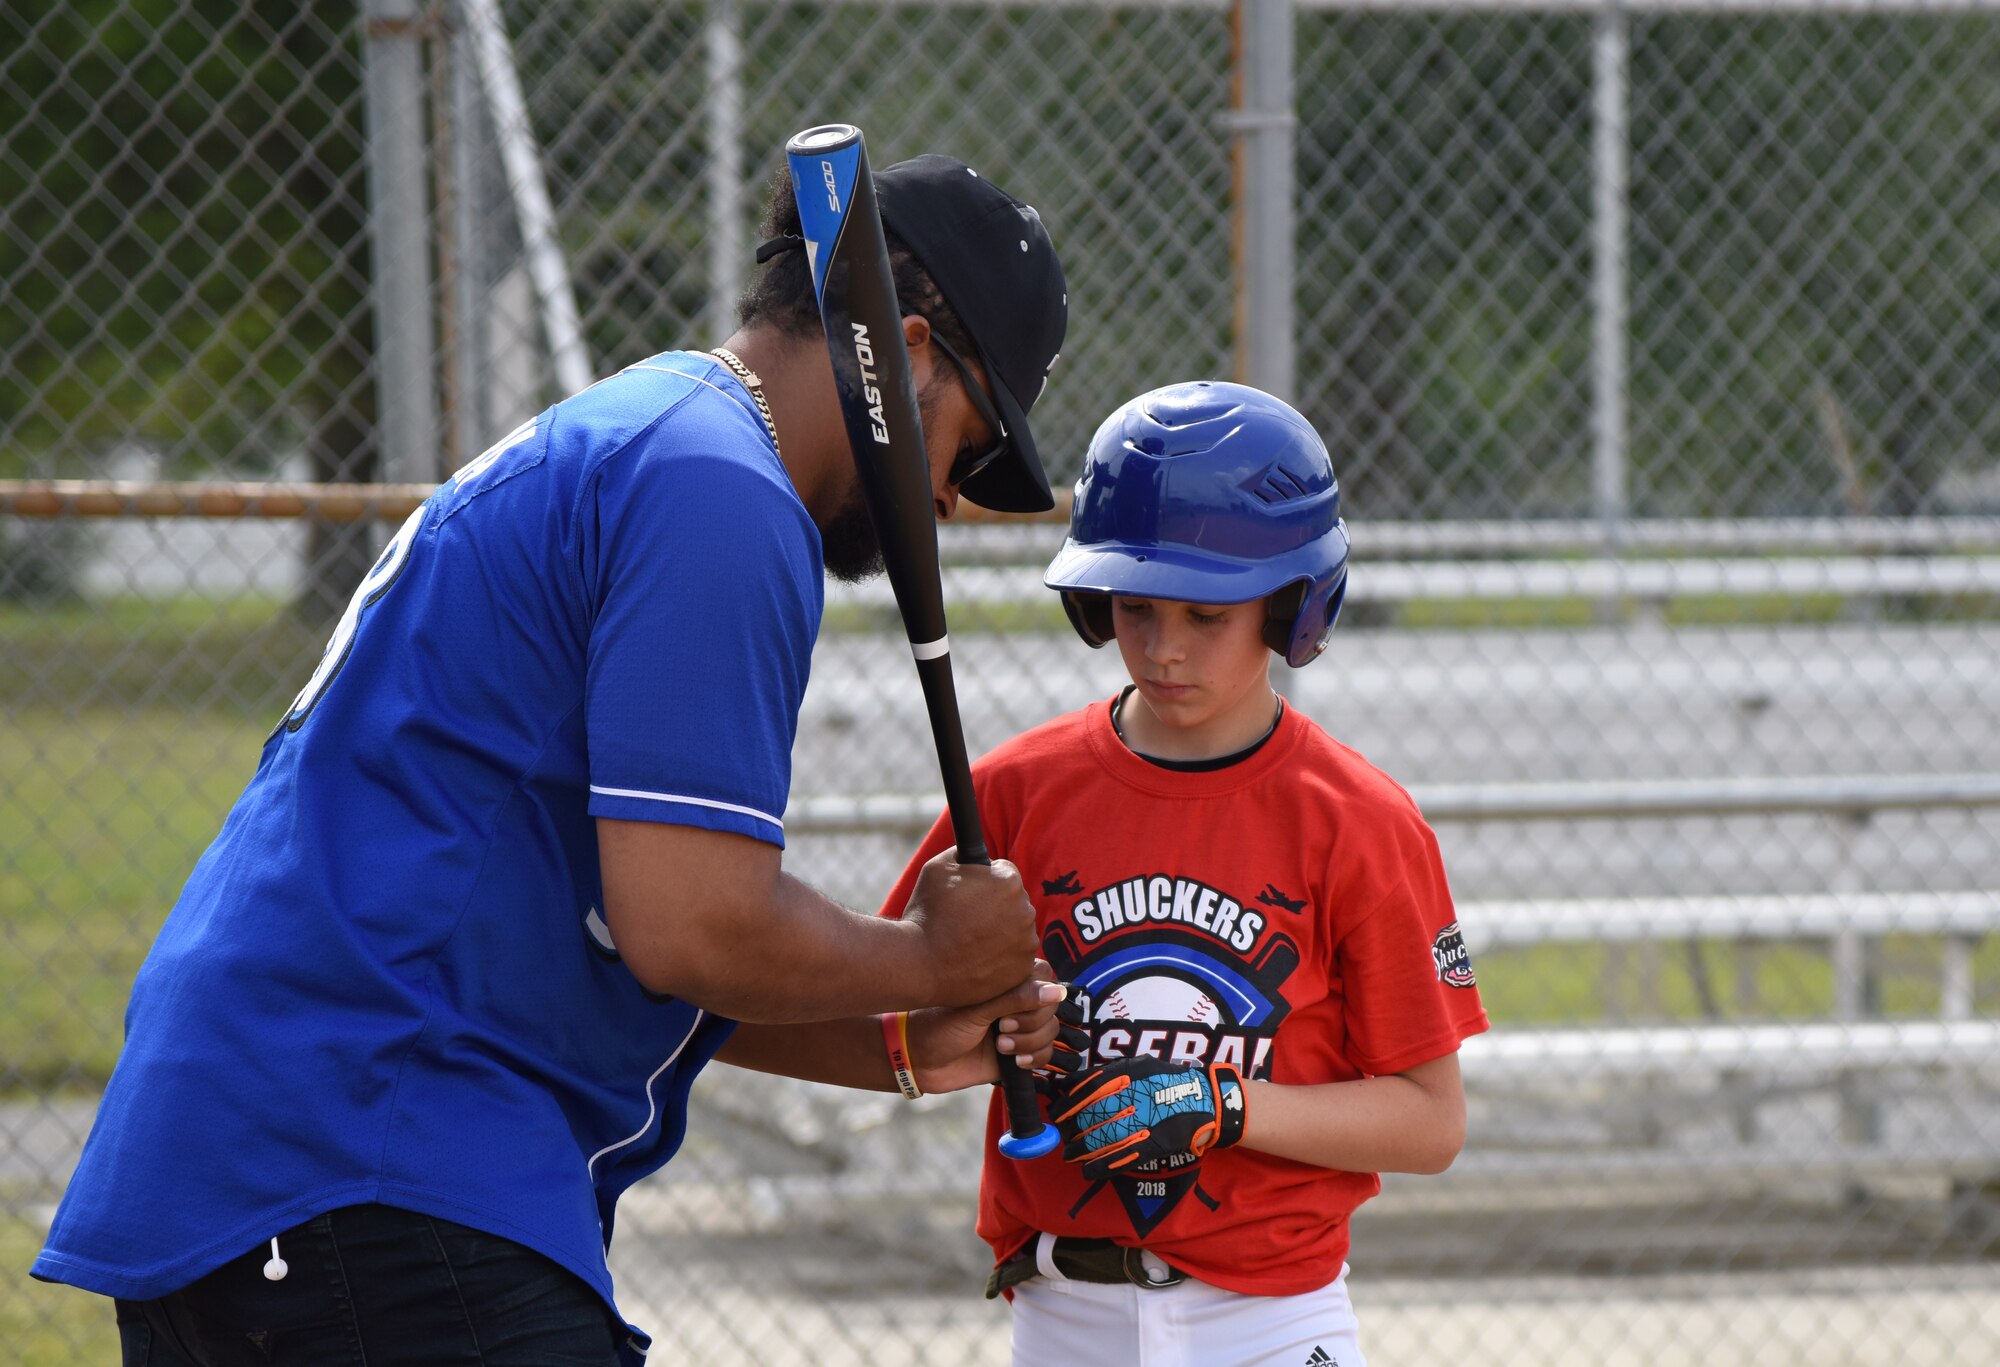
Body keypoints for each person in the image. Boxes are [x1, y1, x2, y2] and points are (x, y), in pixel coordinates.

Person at [33, 153, 1071, 1366]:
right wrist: (930, 953)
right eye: (977, 440)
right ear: (903, 355)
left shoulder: (658, 436)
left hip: (284, 1151)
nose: (954, 499)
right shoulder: (719, 495)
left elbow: (599, 940)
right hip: (369, 1157)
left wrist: (895, 1031)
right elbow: (688, 926)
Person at [878, 381, 1490, 1366]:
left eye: (1206, 614)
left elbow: (1429, 1120)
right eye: (1133, 606)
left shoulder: (1358, 822)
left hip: (1269, 1323)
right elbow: (890, 1017)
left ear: (1293, 604)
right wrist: (987, 1025)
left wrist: (1225, 1104)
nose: (1162, 649)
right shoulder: (1015, 792)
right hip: (1060, 1312)